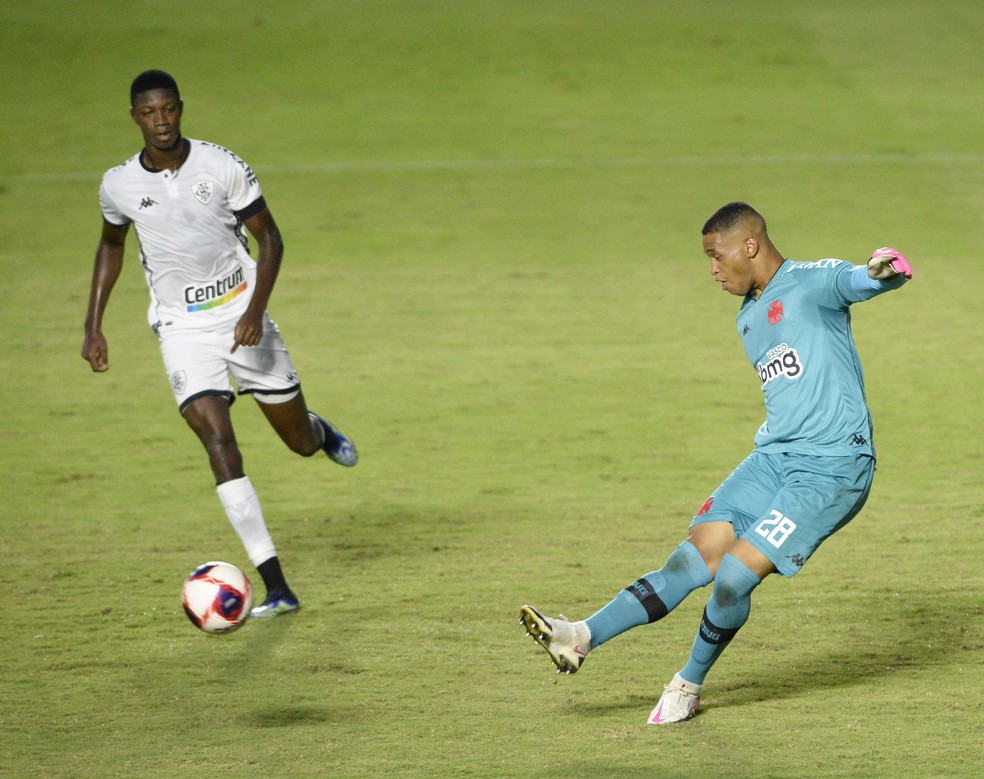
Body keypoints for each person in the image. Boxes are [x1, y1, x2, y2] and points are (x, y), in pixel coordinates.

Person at [520, 201, 912, 723]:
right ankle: (580, 636)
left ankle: (687, 683)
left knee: (732, 578)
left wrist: (883, 270)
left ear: (749, 245)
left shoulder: (811, 282)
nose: (712, 270)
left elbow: (860, 281)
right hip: (772, 458)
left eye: (716, 255)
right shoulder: (748, 316)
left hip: (832, 468)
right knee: (690, 559)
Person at [81, 70, 358, 619]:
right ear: (135, 117)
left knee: (298, 442)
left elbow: (271, 238)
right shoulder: (118, 185)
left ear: (180, 109)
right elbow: (110, 244)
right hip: (181, 329)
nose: (160, 121)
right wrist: (93, 324)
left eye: (168, 110)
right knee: (217, 441)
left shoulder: (221, 165)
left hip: (241, 316)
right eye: (149, 112)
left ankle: (320, 429)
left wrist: (254, 311)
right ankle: (276, 585)